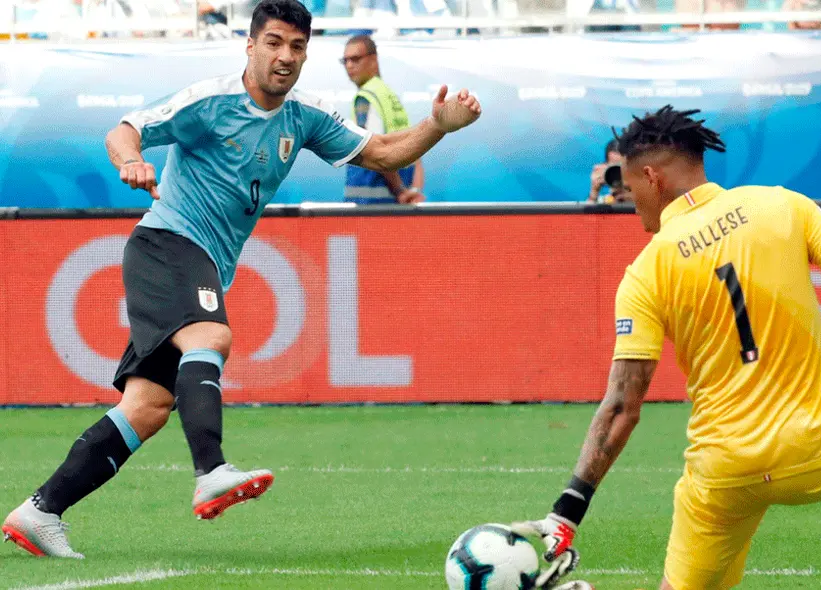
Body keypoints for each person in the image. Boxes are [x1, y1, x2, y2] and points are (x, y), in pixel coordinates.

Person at [1, 0, 480, 559]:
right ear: (250, 46)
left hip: (198, 259)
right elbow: (125, 130)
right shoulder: (212, 102)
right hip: (167, 244)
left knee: (148, 407)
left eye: (297, 47)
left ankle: (40, 512)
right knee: (212, 337)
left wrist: (437, 127)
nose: (285, 57)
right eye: (273, 43)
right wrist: (130, 161)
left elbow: (381, 153)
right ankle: (211, 472)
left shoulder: (303, 115)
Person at [513, 105, 821, 590]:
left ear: (651, 176)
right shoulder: (783, 205)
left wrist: (568, 510)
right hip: (820, 447)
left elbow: (622, 407)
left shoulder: (644, 271)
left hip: (722, 475)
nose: (627, 192)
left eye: (627, 179)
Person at [342, 34, 426, 205]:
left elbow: (375, 151)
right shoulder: (388, 95)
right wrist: (414, 190)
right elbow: (416, 149)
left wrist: (400, 190)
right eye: (345, 61)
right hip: (398, 200)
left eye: (355, 59)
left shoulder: (366, 97)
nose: (349, 65)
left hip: (370, 203)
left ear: (373, 60)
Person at [587, 139, 626, 204]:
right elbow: (587, 212)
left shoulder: (641, 198)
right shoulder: (603, 200)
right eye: (613, 168)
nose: (617, 174)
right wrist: (594, 192)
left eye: (621, 167)